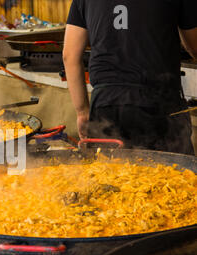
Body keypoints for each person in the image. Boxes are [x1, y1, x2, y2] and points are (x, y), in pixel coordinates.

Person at [63, 0, 197, 155]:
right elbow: (194, 46)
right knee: (175, 174)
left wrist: (82, 111)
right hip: (158, 103)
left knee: (108, 174)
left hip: (105, 103)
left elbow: (69, 56)